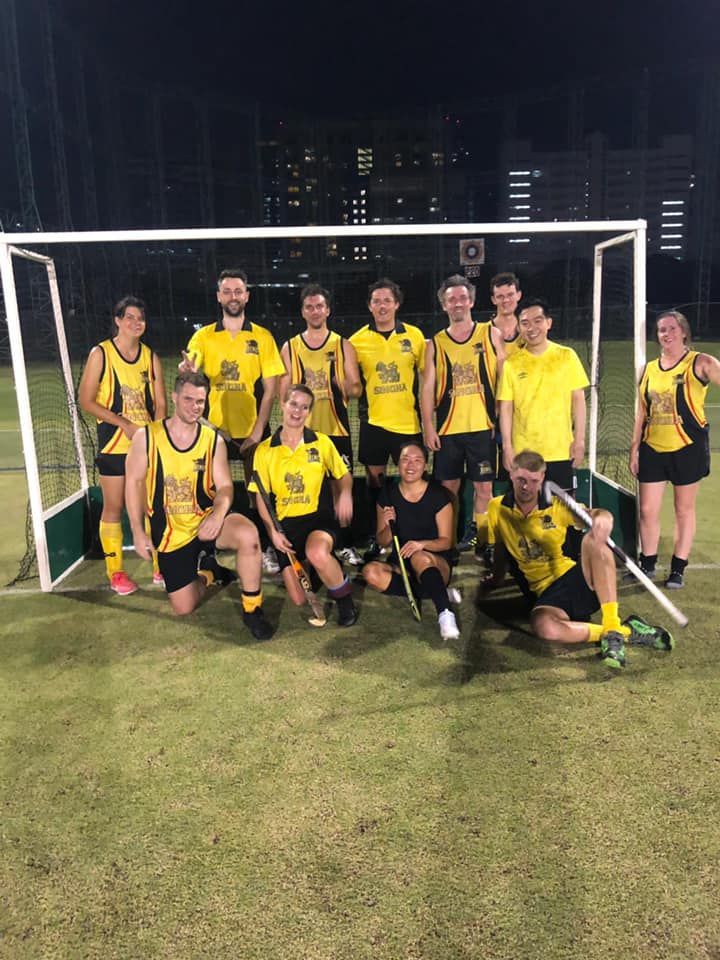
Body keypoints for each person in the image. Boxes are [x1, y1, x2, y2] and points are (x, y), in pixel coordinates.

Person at [483, 450, 673, 668]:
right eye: (521, 480)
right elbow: (500, 546)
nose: (526, 487)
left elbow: (595, 515)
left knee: (594, 539)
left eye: (533, 481)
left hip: (578, 580)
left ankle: (611, 622)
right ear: (511, 475)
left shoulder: (557, 506)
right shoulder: (496, 507)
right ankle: (626, 632)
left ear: (542, 478)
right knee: (543, 626)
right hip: (547, 595)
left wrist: (603, 520)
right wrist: (496, 579)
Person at [125, 371, 274, 639]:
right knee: (184, 607)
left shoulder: (211, 440)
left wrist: (218, 514)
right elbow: (134, 484)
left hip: (208, 520)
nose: (195, 407)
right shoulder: (146, 438)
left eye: (200, 401)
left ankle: (253, 610)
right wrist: (137, 530)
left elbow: (226, 487)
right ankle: (209, 572)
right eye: (188, 399)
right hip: (172, 534)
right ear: (174, 398)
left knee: (248, 535)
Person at [179, 268, 286, 575]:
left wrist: (256, 431)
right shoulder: (203, 337)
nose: (233, 296)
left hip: (254, 431)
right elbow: (191, 375)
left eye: (238, 291)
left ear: (247, 296)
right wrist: (188, 370)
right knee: (208, 491)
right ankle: (205, 551)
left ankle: (266, 546)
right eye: (227, 291)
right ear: (218, 296)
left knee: (260, 493)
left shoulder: (262, 337)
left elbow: (270, 392)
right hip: (214, 433)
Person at [248, 384, 358, 627]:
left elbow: (343, 476)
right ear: (283, 405)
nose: (298, 411)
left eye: (304, 407)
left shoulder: (321, 443)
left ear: (309, 412)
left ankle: (344, 599)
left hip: (318, 519)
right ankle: (329, 568)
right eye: (293, 404)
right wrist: (273, 533)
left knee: (316, 552)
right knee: (298, 598)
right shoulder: (265, 450)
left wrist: (346, 493)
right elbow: (261, 498)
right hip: (285, 527)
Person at [78, 296, 166, 595]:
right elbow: (86, 400)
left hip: (143, 446)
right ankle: (116, 572)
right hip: (114, 444)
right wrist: (123, 423)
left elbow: (162, 403)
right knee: (114, 507)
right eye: (129, 317)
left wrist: (156, 435)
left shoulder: (150, 357)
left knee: (148, 508)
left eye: (140, 318)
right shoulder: (101, 353)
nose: (135, 323)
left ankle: (159, 566)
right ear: (117, 320)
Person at [629, 310, 720, 588]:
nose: (665, 334)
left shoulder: (700, 362)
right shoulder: (647, 370)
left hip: (687, 448)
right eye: (660, 330)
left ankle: (678, 567)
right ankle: (648, 564)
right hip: (652, 447)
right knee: (647, 509)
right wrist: (634, 449)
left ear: (683, 332)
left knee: (683, 509)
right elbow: (641, 413)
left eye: (670, 329)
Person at [421, 274, 505, 564]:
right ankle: (449, 542)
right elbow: (427, 389)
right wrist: (428, 426)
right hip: (448, 430)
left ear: (471, 300)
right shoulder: (435, 344)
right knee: (448, 491)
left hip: (482, 429)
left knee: (485, 489)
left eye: (461, 297)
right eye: (451, 299)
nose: (457, 303)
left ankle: (483, 541)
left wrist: (504, 419)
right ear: (444, 305)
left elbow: (505, 379)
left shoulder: (490, 334)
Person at [279, 282, 363, 567]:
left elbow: (357, 389)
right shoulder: (290, 347)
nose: (315, 311)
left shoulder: (343, 345)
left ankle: (346, 544)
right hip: (305, 436)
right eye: (309, 306)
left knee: (342, 490)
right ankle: (309, 545)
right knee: (309, 491)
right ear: (303, 312)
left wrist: (347, 386)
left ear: (328, 310)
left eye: (320, 306)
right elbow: (284, 393)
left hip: (336, 430)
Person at [349, 278, 426, 560]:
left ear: (396, 303)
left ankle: (415, 533)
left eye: (387, 300)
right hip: (374, 425)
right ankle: (378, 537)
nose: (382, 306)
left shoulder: (415, 337)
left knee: (413, 483)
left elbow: (427, 381)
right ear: (370, 306)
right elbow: (352, 383)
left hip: (408, 425)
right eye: (376, 301)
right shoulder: (356, 341)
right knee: (376, 486)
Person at [362, 442, 461, 641]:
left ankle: (445, 613)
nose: (410, 465)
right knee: (370, 572)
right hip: (402, 564)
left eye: (417, 461)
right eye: (405, 460)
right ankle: (436, 592)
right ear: (397, 464)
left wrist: (421, 545)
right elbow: (382, 541)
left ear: (425, 466)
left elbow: (446, 542)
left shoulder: (439, 496)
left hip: (434, 562)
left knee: (419, 558)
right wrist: (390, 526)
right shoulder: (387, 495)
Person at [497, 298, 589, 493]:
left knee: (561, 515)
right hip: (524, 454)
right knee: (525, 516)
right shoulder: (511, 364)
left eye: (538, 321)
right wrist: (507, 447)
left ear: (549, 323)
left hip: (560, 450)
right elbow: (506, 408)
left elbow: (578, 400)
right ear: (519, 327)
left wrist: (579, 440)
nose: (531, 328)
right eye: (525, 323)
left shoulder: (567, 356)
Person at [489, 271, 524, 356]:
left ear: (519, 295)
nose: (506, 300)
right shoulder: (485, 332)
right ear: (493, 300)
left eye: (510, 295)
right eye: (500, 296)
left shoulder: (529, 331)